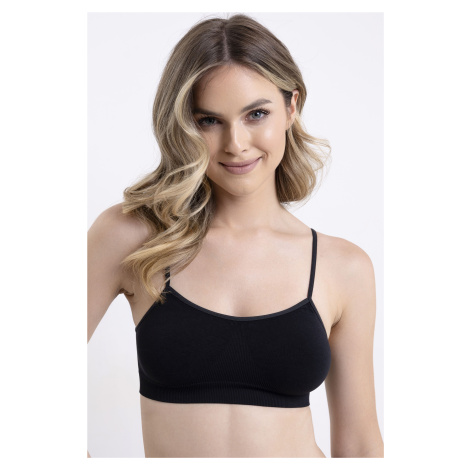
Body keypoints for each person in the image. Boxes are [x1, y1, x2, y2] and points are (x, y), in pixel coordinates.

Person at [87, 14, 383, 458]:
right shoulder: (131, 238)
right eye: (209, 120)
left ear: (292, 107)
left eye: (256, 114)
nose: (236, 143)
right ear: (183, 124)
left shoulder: (344, 267)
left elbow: (360, 446)